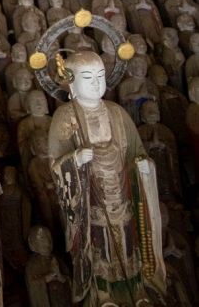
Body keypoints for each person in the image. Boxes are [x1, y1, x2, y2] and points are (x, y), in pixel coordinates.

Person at [48, 51, 165, 306]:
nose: (95, 83)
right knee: (98, 243)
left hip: (122, 192)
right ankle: (102, 292)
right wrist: (75, 159)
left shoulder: (117, 113)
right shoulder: (65, 117)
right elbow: (55, 166)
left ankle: (136, 288)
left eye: (100, 76)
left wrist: (142, 165)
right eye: (87, 77)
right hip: (90, 197)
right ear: (72, 84)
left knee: (129, 239)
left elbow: (137, 151)